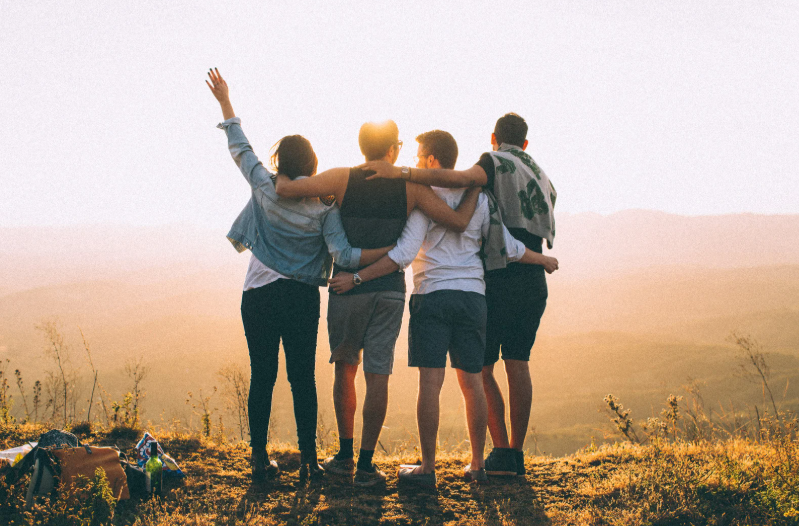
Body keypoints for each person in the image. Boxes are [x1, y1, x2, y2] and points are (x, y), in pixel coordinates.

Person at [329, 130, 558, 487]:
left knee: (430, 384)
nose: (417, 163)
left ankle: (428, 468)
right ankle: (478, 465)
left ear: (433, 160)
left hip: (432, 296)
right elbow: (508, 246)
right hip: (473, 298)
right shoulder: (479, 199)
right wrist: (542, 259)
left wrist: (357, 277)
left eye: (421, 157)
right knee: (472, 384)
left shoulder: (424, 200)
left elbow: (403, 255)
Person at [206, 69, 393, 482]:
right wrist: (392, 253)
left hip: (257, 292)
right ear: (313, 164)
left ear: (279, 163)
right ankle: (309, 461)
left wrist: (225, 101)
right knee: (301, 378)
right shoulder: (324, 206)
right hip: (301, 297)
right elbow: (343, 253)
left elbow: (240, 148)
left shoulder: (265, 186)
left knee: (262, 375)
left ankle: (259, 460)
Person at [274, 122, 479, 486]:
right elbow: (457, 221)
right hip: (389, 291)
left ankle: (344, 456)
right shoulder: (411, 188)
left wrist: (281, 171)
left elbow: (288, 189)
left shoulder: (340, 179)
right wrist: (477, 183)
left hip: (346, 289)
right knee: (378, 374)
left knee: (345, 368)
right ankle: (367, 466)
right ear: (392, 151)